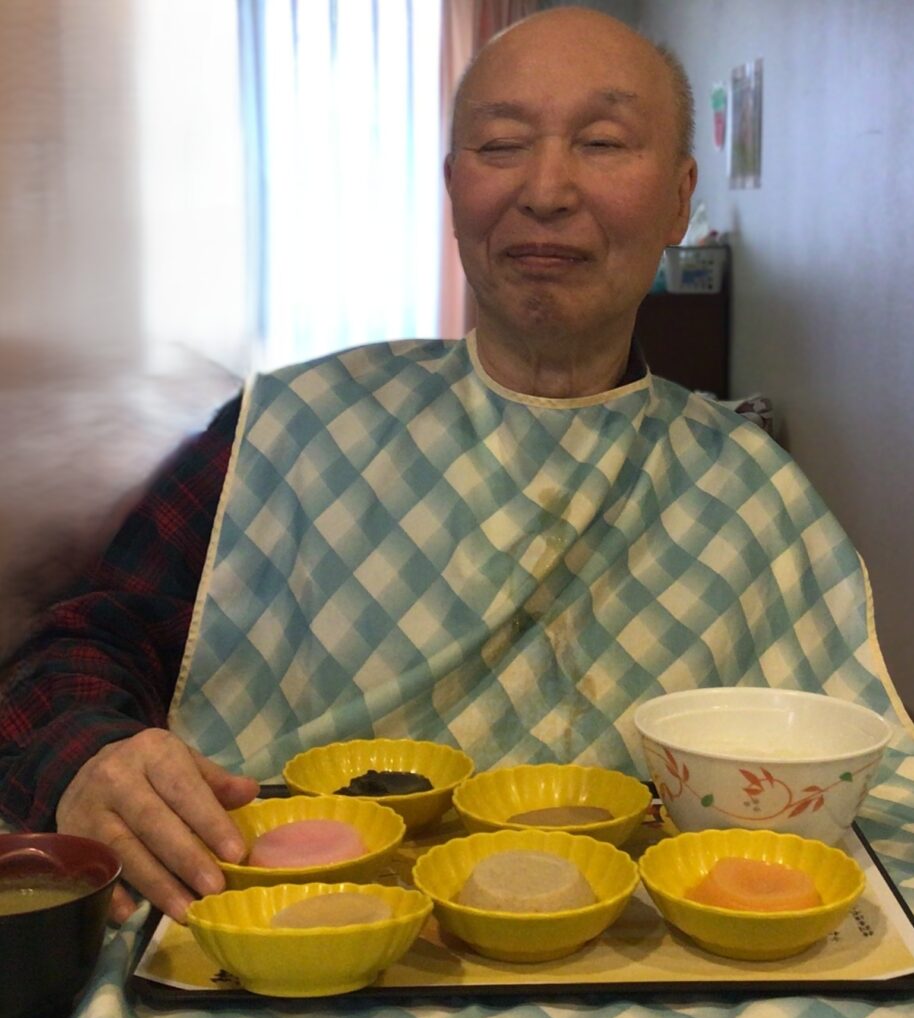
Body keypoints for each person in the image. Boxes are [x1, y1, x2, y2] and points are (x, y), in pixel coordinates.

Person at [0, 6, 892, 932]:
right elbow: (76, 647)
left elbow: (868, 794)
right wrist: (89, 759)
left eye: (600, 142)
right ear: (453, 185)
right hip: (282, 942)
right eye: (502, 145)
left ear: (679, 198)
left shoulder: (748, 491)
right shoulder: (289, 431)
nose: (546, 189)